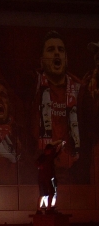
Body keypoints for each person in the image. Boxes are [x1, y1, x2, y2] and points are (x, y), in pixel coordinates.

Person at [34, 31, 82, 171]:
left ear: (66, 59)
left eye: (60, 50)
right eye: (51, 49)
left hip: (74, 169)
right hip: (42, 167)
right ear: (41, 60)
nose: (56, 53)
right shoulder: (33, 86)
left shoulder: (80, 90)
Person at [37, 141, 62, 211]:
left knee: (44, 193)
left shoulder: (44, 157)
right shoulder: (48, 157)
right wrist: (60, 144)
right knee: (49, 192)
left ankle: (41, 209)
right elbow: (56, 152)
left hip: (44, 178)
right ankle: (48, 208)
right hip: (47, 178)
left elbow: (37, 163)